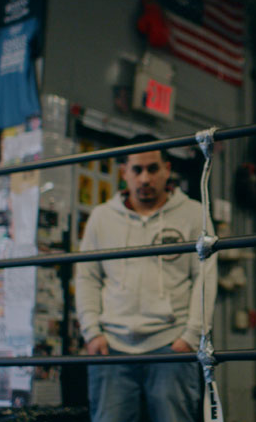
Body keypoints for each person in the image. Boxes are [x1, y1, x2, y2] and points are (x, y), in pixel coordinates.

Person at [74, 137, 217, 422]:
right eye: (137, 170)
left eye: (153, 169)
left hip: (171, 345)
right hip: (111, 347)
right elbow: (87, 277)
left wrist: (191, 336)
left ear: (167, 169)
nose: (145, 178)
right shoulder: (101, 218)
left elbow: (206, 276)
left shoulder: (193, 214)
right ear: (124, 172)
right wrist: (91, 332)